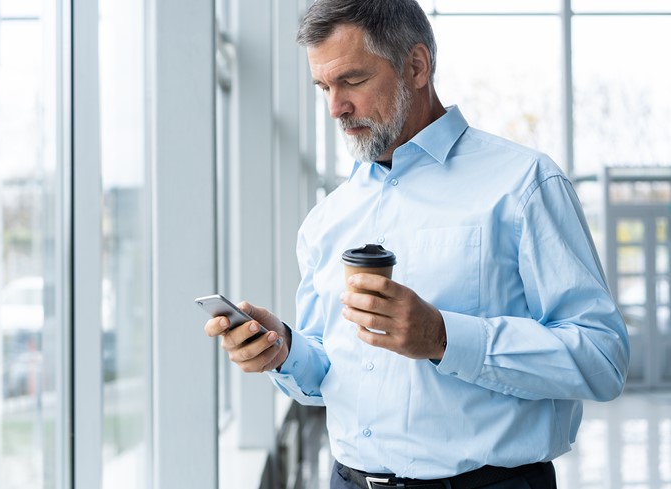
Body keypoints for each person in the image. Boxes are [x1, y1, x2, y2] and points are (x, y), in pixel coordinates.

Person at [204, 1, 630, 487]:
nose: (335, 108)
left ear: (417, 65)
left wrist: (443, 337)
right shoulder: (327, 219)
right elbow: (335, 370)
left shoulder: (525, 185)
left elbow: (602, 357)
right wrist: (283, 348)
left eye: (353, 81)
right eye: (324, 87)